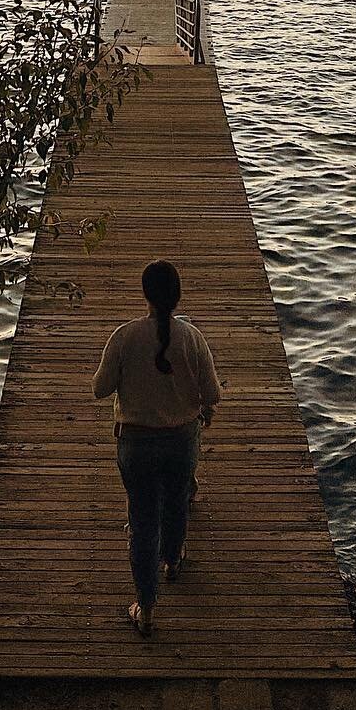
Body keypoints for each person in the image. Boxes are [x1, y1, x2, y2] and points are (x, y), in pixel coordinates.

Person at [92, 260, 221, 638]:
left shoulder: (125, 336)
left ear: (144, 295)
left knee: (143, 522)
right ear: (178, 297)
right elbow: (213, 393)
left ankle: (146, 609)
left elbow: (99, 389)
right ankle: (173, 561)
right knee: (177, 498)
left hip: (136, 443)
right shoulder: (192, 338)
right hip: (182, 440)